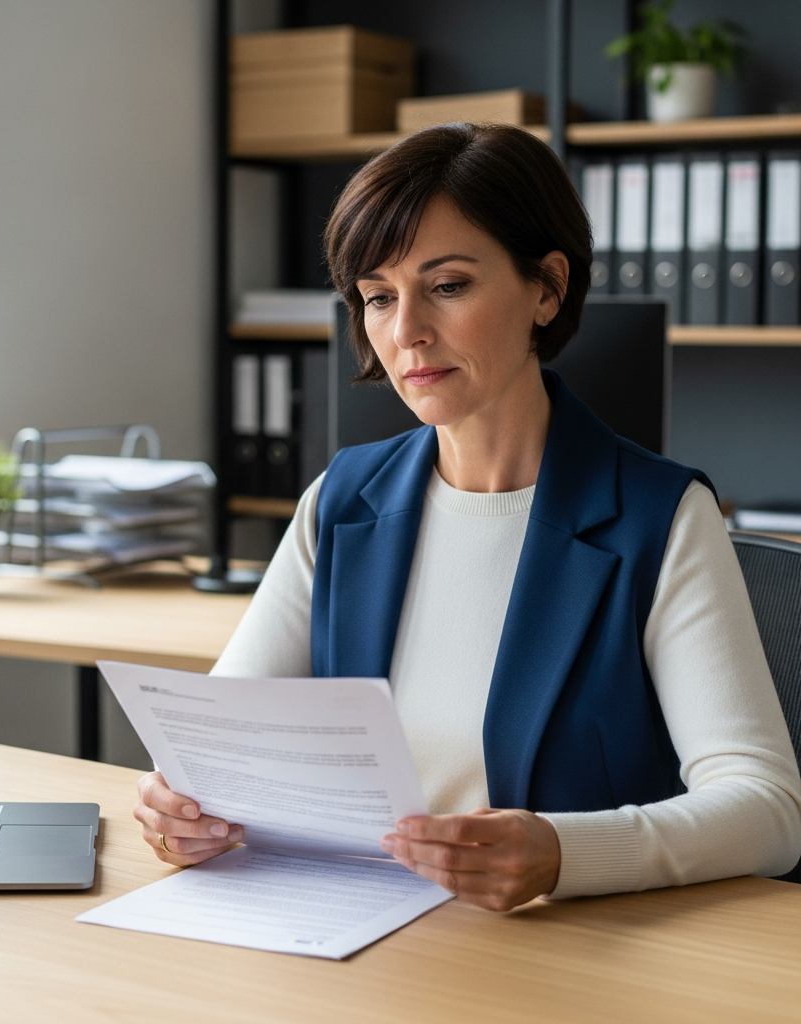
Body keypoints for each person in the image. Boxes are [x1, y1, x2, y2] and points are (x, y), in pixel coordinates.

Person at [135, 123, 801, 911]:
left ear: (547, 288)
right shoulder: (339, 503)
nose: (406, 330)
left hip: (562, 956)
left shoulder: (660, 518)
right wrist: (183, 808)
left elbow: (768, 810)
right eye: (378, 297)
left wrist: (563, 853)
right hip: (356, 935)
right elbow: (221, 751)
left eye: (447, 285)